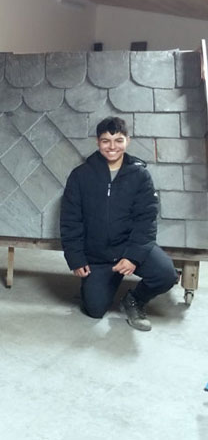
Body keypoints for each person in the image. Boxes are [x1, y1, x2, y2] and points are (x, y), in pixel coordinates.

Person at [60, 116, 178, 331]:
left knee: (166, 274)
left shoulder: (140, 176)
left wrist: (133, 256)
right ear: (98, 142)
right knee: (94, 310)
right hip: (97, 255)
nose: (112, 146)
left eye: (118, 140)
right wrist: (75, 258)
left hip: (129, 247)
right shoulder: (80, 176)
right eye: (106, 140)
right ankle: (102, 283)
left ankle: (134, 300)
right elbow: (70, 220)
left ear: (128, 141)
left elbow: (146, 220)